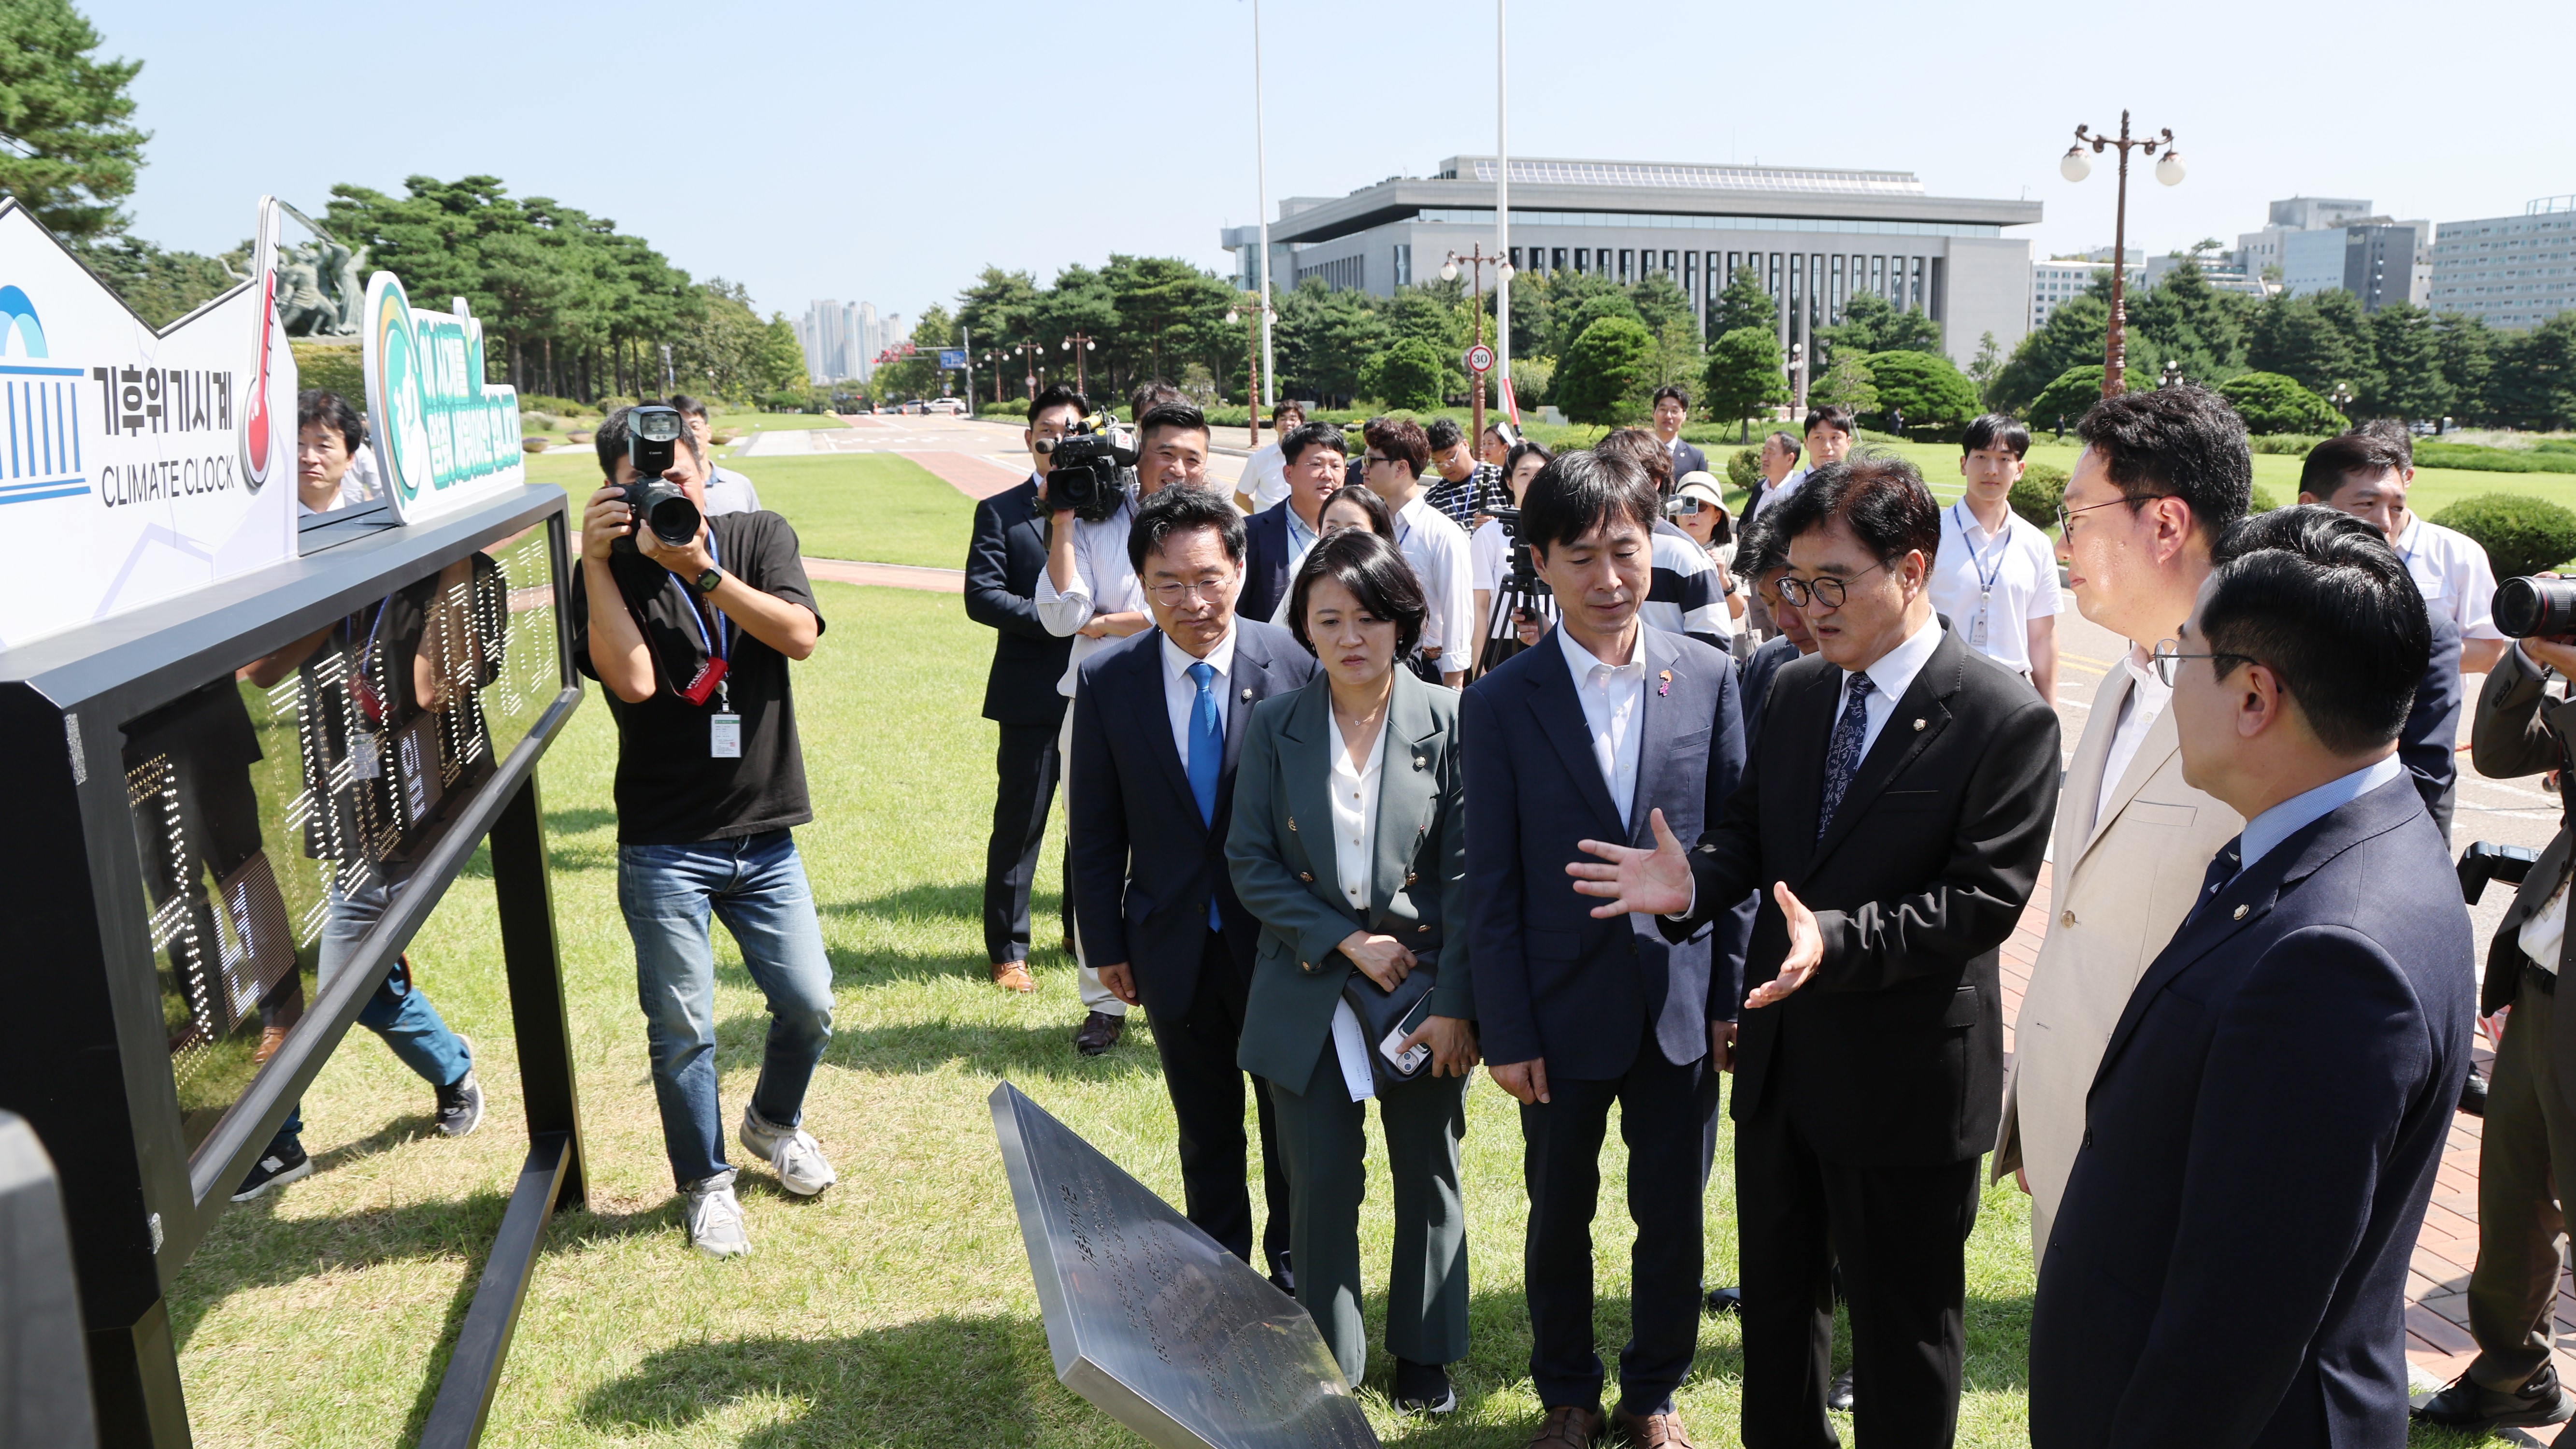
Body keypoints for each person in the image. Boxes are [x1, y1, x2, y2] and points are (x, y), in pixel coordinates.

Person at [1573, 455, 2062, 1449]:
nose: (1805, 607)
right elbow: (1752, 833)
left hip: (1907, 1076)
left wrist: (1832, 939)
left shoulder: (2000, 715)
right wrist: (1695, 880)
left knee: (1901, 1331)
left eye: (1832, 582)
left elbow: (1981, 898)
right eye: (1794, 583)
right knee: (1779, 1313)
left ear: (1912, 569)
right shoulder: (1794, 691)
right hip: (1784, 1066)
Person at [2032, 505, 2472, 1449]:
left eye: (2180, 657)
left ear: (2252, 696)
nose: (2163, 678)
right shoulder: (2344, 842)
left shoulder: (2331, 957)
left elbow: (2237, 1324)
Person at [1463, 449, 1747, 1449]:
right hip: (1555, 1009)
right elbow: (1487, 881)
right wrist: (1504, 1025)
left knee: (1671, 1214)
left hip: (1676, 1006)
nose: (1607, 577)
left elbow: (1730, 851)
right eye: (1579, 555)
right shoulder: (1500, 700)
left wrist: (1727, 999)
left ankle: (1652, 1390)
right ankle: (1568, 1391)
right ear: (1539, 561)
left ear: (1652, 541)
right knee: (1559, 1215)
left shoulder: (1709, 675)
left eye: (1623, 548)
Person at [1992, 385, 2250, 1264]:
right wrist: (2040, 1106)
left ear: (2166, 523)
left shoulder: (2260, 708)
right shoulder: (2121, 679)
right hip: (2079, 1132)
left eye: (2076, 517)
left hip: (2170, 1167)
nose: (2062, 545)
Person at [572, 405, 837, 1259]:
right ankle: (707, 1182)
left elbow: (797, 635)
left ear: (704, 465)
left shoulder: (757, 533)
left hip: (762, 832)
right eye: (640, 483)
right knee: (683, 1024)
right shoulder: (606, 568)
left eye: (677, 477)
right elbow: (637, 679)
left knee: (809, 1002)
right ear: (614, 487)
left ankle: (773, 1121)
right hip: (664, 839)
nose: (664, 493)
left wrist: (702, 571)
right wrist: (596, 560)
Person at [1228, 529, 1478, 1412]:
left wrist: (1454, 998)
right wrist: (1343, 939)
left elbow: (1466, 870)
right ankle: (1330, 1357)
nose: (1349, 636)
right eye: (1327, 617)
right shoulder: (1273, 722)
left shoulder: (1450, 720)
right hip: (1305, 980)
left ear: (1402, 623)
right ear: (1302, 624)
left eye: (1369, 617)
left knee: (1428, 1168)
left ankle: (1425, 1350)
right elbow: (1250, 861)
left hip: (1422, 985)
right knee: (1320, 1177)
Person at [1069, 485, 1314, 1291]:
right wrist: (1102, 943)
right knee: (1205, 1130)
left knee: (1289, 1127)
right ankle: (1219, 1275)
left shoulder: (1293, 665)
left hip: (1277, 945)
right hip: (1169, 941)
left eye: (1208, 577)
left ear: (1240, 570)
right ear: (1141, 581)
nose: (1193, 601)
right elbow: (1096, 829)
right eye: (1169, 582)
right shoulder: (1110, 680)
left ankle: (1291, 1276)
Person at [2411, 600, 2576, 1436]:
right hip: (2548, 968)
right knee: (2514, 1192)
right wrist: (2531, 654)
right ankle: (2513, 1373)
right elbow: (2506, 751)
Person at [1038, 399, 1216, 1054]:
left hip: (1199, 694)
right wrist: (1060, 517)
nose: (1178, 467)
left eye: (1193, 457)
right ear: (1138, 455)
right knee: (1097, 842)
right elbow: (1064, 614)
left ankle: (1204, 977)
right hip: (1102, 697)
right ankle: (1103, 1002)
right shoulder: (1094, 517)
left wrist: (1117, 620)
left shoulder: (1217, 524)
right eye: (1165, 453)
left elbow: (1216, 610)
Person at [965, 384, 1083, 995]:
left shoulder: (1104, 508)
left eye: (1071, 429)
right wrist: (1056, 618)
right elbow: (981, 596)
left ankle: (1078, 929)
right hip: (1031, 692)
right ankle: (1008, 952)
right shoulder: (1000, 509)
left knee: (1091, 820)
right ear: (1029, 437)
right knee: (1022, 823)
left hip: (1097, 687)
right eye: (1048, 430)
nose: (1058, 440)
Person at [2299, 427, 2505, 673]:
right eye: (2366, 504)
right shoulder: (2273, 569)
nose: (2385, 523)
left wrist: (2390, 652)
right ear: (2310, 505)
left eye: (2397, 507)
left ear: (2408, 477)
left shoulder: (2459, 553)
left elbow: (2489, 652)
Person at [1927, 414, 2060, 700]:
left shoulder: (2036, 543)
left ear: (2020, 468)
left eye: (2004, 459)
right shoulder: (1930, 534)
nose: (1991, 470)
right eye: (1981, 457)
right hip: (1939, 685)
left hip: (2011, 691)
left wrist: (2050, 710)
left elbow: (2042, 636)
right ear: (1963, 464)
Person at [1357, 417, 1476, 688]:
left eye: (1371, 461)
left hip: (1426, 668)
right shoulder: (1367, 526)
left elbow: (1458, 612)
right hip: (1372, 666)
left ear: (1401, 468)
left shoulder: (1442, 533)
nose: (1363, 470)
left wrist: (1454, 685)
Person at [1598, 429, 1729, 652]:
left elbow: (1714, 643)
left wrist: (1660, 679)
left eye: (1620, 476)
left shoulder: (1682, 554)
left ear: (1654, 481)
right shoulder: (1588, 546)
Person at [1242, 420, 1346, 625]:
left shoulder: (1358, 530)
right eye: (1316, 464)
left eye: (1335, 466)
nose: (1327, 475)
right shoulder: (1250, 533)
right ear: (1288, 474)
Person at [1471, 440, 1556, 667]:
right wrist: (1478, 669)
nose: (1532, 482)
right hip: (1500, 646)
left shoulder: (1564, 530)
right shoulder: (1489, 534)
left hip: (1554, 642)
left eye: (1541, 474)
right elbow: (1479, 606)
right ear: (1509, 481)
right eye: (1524, 474)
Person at [1741, 430, 1803, 639]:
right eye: (1763, 452)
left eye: (1771, 453)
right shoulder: (1760, 487)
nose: (1764, 458)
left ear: (1790, 458)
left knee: (1782, 630)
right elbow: (1745, 521)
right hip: (1755, 573)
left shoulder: (1799, 490)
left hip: (1781, 576)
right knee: (1760, 630)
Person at [1669, 472, 1747, 635]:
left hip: (1716, 646)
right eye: (1686, 505)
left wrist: (1723, 581)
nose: (1692, 514)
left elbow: (1738, 611)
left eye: (1702, 506)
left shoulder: (1730, 554)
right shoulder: (1663, 553)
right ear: (1675, 515)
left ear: (1717, 516)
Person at [666, 394, 761, 516]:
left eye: (695, 427)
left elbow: (758, 530)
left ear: (709, 431)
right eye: (680, 429)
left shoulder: (740, 483)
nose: (689, 435)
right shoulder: (662, 490)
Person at [1420, 416, 1511, 531]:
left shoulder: (1500, 478)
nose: (1446, 467)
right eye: (1438, 463)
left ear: (1466, 445)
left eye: (1451, 458)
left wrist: (1497, 524)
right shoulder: (1434, 498)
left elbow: (1524, 521)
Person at [295, 390, 375, 516]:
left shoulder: (366, 521)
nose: (310, 458)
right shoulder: (259, 524)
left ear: (350, 458)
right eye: (298, 444)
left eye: (323, 446)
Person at [1236, 400, 1311, 515]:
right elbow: (1240, 497)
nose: (1288, 423)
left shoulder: (1311, 459)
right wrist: (1263, 519)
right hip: (1268, 528)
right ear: (1275, 426)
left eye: (1292, 419)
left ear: (1302, 424)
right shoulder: (1259, 459)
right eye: (1283, 419)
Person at [1650, 385, 1709, 482]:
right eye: (1663, 409)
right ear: (1654, 413)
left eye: (1674, 411)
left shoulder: (1695, 457)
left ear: (1684, 416)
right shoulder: (1637, 451)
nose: (1668, 416)